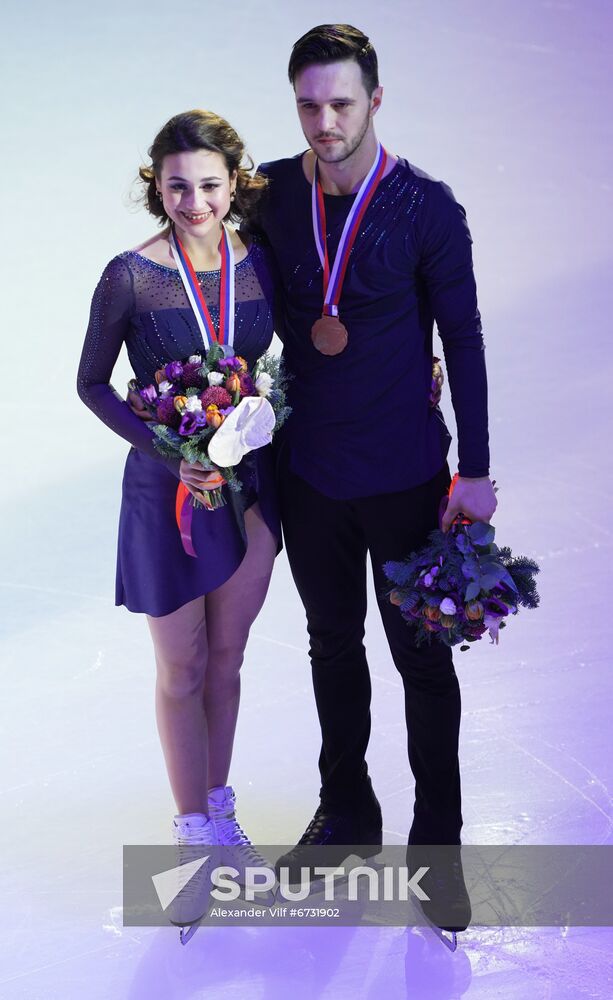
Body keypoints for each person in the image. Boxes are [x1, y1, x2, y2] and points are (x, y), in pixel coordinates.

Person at [251, 24, 497, 933]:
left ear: (375, 102)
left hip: (402, 477)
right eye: (309, 104)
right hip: (310, 471)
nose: (323, 122)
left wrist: (474, 469)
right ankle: (348, 813)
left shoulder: (426, 209)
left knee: (420, 664)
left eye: (340, 103)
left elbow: (463, 341)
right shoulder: (271, 194)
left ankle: (437, 848)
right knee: (329, 645)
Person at [77, 110, 280, 923]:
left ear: (235, 184)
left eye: (207, 185)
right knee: (182, 669)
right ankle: (191, 830)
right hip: (168, 497)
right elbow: (92, 383)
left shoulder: (257, 262)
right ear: (154, 187)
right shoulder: (130, 276)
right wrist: (169, 452)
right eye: (175, 186)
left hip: (253, 487)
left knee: (226, 660)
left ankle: (221, 814)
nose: (192, 201)